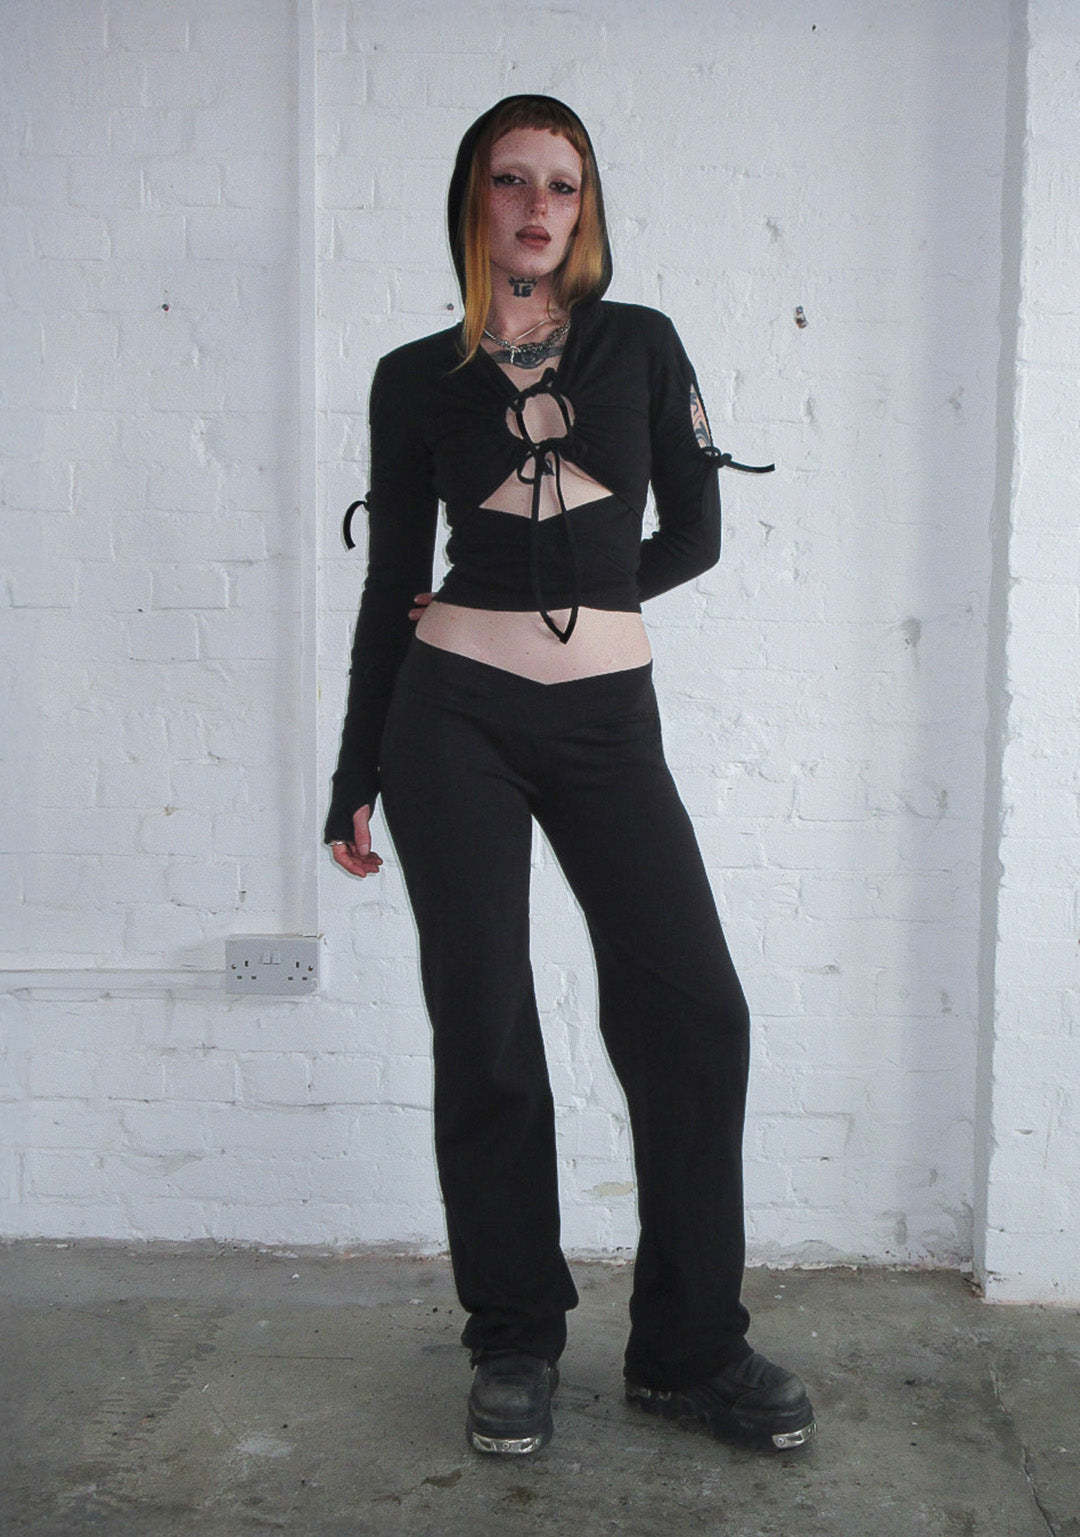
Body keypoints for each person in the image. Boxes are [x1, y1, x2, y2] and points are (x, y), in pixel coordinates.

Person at [325, 94, 815, 1457]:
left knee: (696, 1014)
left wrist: (581, 585)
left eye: (564, 184)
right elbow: (391, 581)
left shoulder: (639, 345)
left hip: (608, 724)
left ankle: (688, 1347)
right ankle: (515, 1335)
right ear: (472, 200)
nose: (538, 207)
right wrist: (355, 769)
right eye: (512, 181)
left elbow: (695, 536)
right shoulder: (413, 376)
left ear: (587, 207)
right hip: (451, 724)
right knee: (485, 1021)